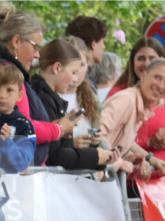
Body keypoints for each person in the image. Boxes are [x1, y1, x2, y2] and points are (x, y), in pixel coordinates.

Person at [0, 3, 71, 165]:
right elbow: (19, 126)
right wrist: (58, 129)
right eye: (35, 47)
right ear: (16, 41)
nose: (38, 54)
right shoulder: (4, 71)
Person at [31, 39, 109, 171]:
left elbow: (56, 146)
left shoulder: (46, 97)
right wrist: (95, 157)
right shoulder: (43, 99)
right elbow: (54, 156)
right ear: (57, 68)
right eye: (73, 72)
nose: (75, 79)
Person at [99, 57, 165, 177]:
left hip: (102, 178)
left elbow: (124, 140)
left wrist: (146, 159)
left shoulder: (140, 104)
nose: (161, 85)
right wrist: (119, 162)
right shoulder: (126, 100)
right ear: (143, 75)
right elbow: (96, 134)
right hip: (89, 179)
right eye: (157, 77)